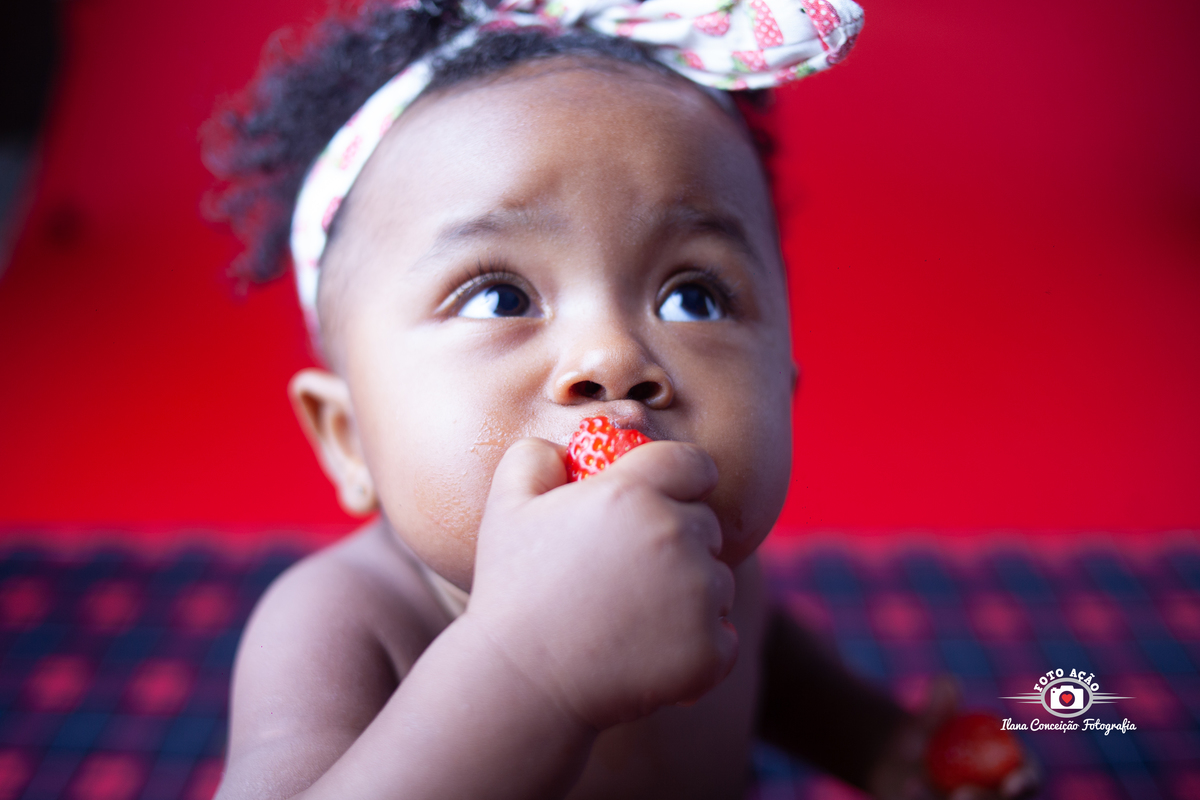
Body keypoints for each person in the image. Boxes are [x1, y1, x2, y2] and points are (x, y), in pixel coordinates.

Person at [203, 1, 1038, 797]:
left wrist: (877, 745)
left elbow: (769, 671)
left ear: (784, 390)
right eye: (498, 297)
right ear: (347, 436)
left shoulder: (711, 566)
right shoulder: (341, 622)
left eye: (694, 297)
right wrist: (527, 666)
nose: (612, 357)